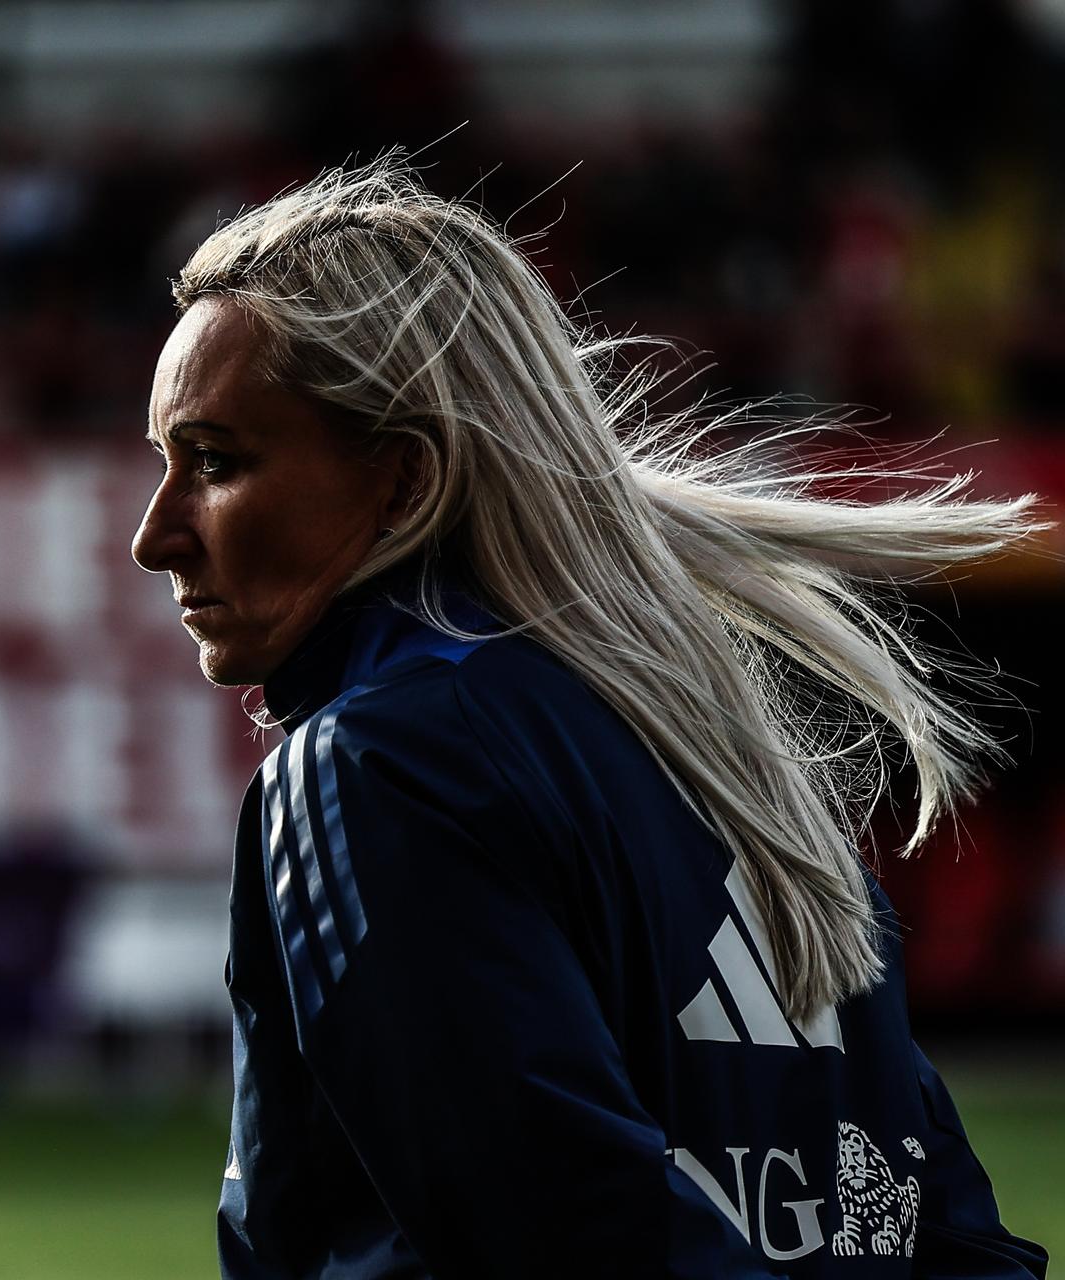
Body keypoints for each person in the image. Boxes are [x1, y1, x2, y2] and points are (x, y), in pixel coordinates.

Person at [130, 159, 1052, 1278]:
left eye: (216, 463)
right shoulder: (736, 758)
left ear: (404, 484)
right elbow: (940, 1228)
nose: (157, 532)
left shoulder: (380, 762)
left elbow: (564, 1236)